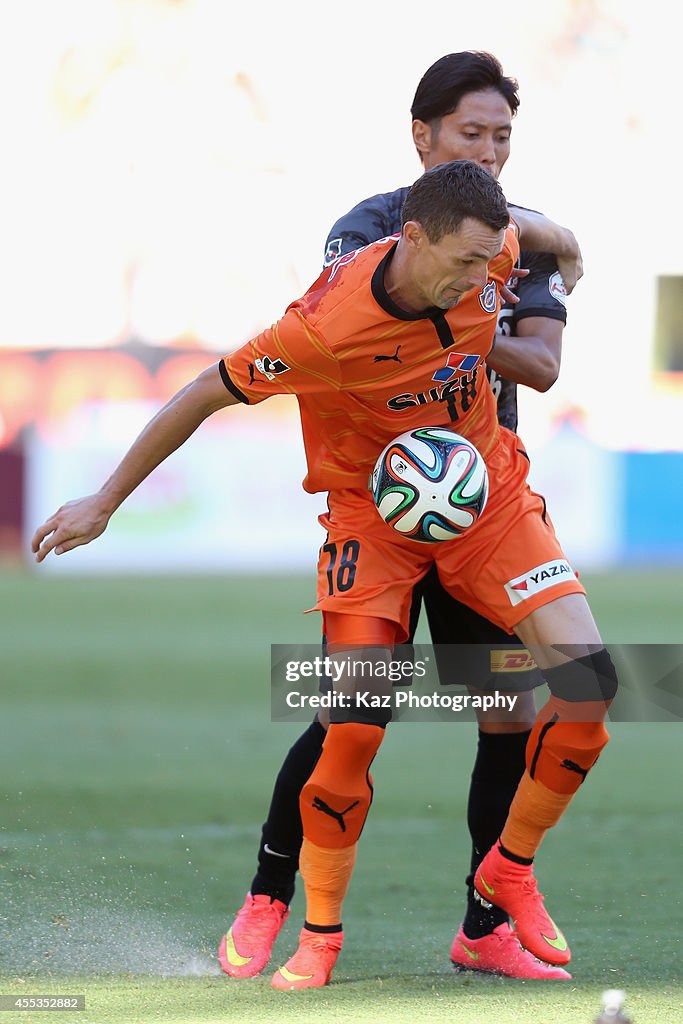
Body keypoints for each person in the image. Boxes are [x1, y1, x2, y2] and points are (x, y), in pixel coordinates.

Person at [33, 160, 617, 992]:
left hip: (489, 502)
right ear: (409, 238)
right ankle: (318, 934)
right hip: (371, 527)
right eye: (458, 264)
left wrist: (566, 245)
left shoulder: (489, 249)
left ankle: (508, 870)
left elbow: (534, 242)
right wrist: (105, 501)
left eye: (483, 265)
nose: (473, 281)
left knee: (589, 688)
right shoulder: (319, 329)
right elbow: (205, 391)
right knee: (350, 727)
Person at [218, 51, 576, 983]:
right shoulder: (373, 228)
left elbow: (541, 365)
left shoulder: (508, 239)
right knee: (351, 710)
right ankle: (267, 896)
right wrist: (489, 292)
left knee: (508, 706)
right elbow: (367, 328)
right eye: (472, 133)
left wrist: (525, 259)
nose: (490, 151)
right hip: (384, 506)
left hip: (473, 511)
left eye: (502, 135)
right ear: (422, 136)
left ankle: (483, 922)